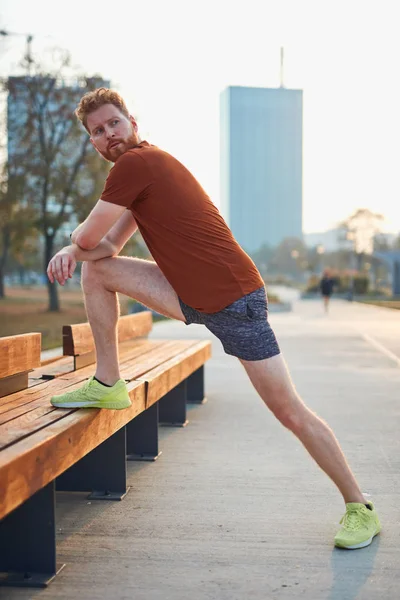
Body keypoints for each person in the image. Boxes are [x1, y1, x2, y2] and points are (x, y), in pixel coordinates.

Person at [47, 88, 380, 550]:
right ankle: (108, 383)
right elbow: (105, 249)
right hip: (191, 296)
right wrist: (76, 249)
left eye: (113, 124)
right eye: (98, 132)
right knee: (97, 272)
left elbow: (87, 234)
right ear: (93, 142)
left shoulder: (138, 164)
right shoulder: (137, 177)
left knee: (290, 412)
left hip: (235, 301)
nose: (109, 136)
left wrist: (71, 244)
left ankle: (359, 506)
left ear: (133, 122)